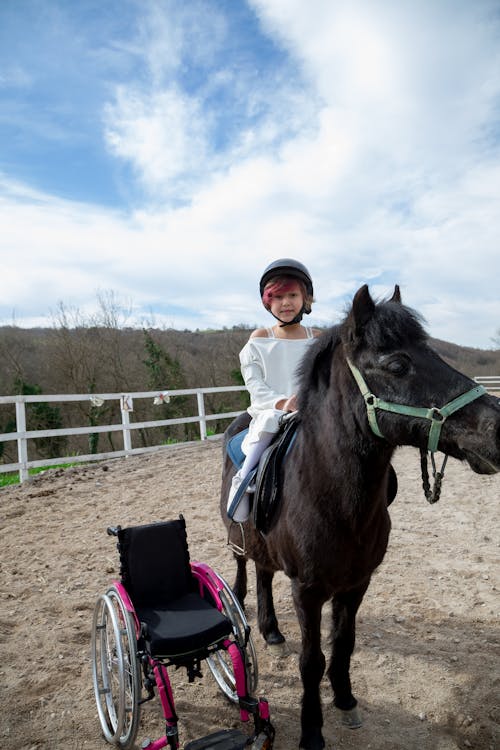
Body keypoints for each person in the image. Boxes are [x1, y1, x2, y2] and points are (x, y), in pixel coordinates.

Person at [227, 258, 321, 522]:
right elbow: (255, 384)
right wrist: (282, 403)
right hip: (274, 409)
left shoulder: (319, 340)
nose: (286, 302)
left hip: (314, 409)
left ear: (306, 298)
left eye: (292, 294)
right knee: (269, 421)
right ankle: (245, 479)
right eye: (277, 297)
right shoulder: (260, 338)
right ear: (268, 302)